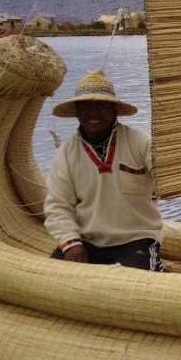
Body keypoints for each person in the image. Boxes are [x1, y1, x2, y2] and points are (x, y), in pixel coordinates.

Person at [44, 69, 164, 271]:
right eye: (86, 106)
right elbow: (57, 205)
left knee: (139, 288)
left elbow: (165, 176)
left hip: (136, 238)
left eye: (101, 105)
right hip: (87, 241)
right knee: (49, 281)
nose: (94, 112)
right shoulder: (66, 154)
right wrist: (70, 242)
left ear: (115, 109)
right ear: (76, 111)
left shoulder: (140, 143)